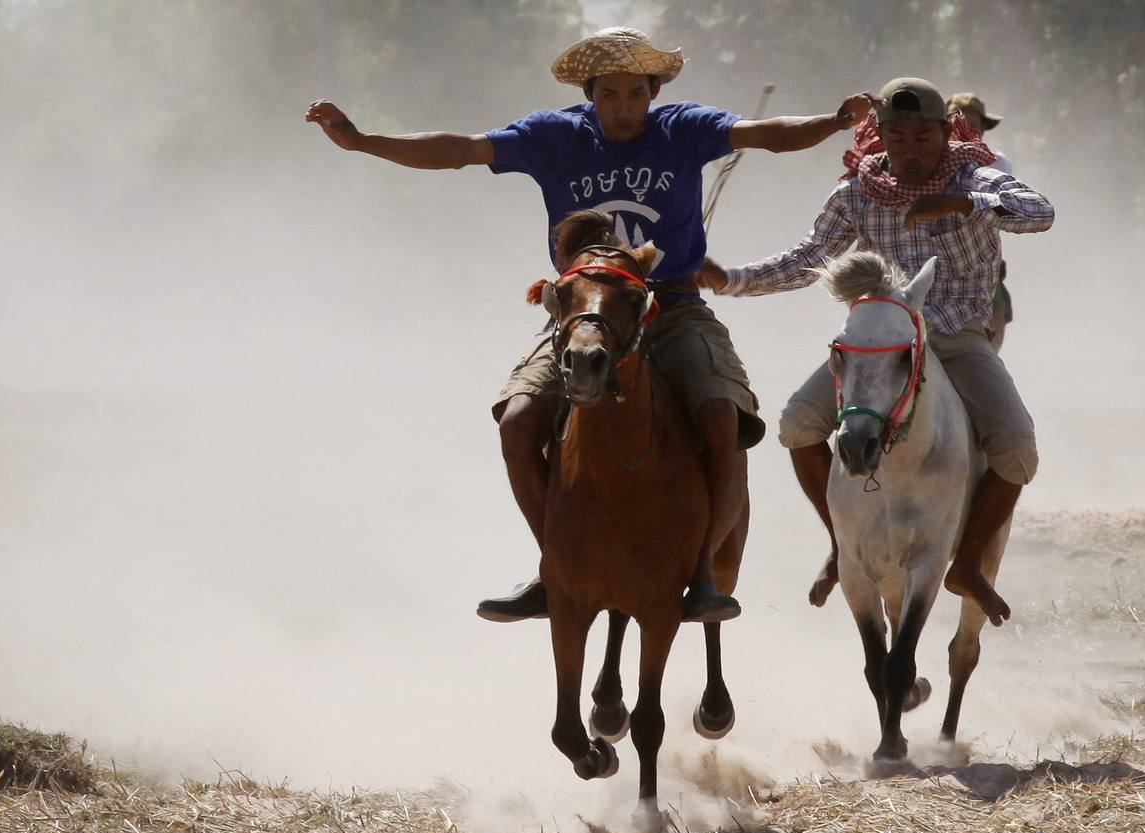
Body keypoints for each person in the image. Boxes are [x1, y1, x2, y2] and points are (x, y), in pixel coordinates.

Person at [306, 27, 872, 624]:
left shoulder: (682, 127)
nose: (623, 108)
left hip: (671, 305)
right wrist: (363, 141)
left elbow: (766, 136)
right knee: (519, 421)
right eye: (609, 95)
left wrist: (834, 121)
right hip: (583, 315)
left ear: (654, 90)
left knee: (721, 414)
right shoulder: (553, 137)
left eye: (634, 94)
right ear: (589, 92)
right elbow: (461, 149)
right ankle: (554, 569)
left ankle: (703, 570)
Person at [697, 77, 1054, 625]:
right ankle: (842, 547)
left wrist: (964, 202)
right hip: (879, 342)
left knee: (1017, 449)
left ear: (945, 132)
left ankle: (968, 565)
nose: (911, 149)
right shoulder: (857, 192)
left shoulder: (974, 174)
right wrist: (731, 279)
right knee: (797, 426)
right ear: (880, 136)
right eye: (898, 137)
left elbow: (1039, 212)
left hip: (957, 337)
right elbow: (810, 257)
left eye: (923, 137)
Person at [948, 92, 1015, 348]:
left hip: (981, 256)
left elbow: (1005, 206)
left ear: (983, 130)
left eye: (973, 127)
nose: (966, 132)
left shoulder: (997, 162)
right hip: (933, 254)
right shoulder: (931, 160)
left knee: (995, 309)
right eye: (958, 125)